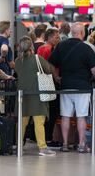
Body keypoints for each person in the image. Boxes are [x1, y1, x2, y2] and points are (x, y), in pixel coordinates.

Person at [48, 23, 95, 153]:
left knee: (65, 116)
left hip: (65, 86)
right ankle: (81, 144)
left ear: (71, 33)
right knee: (81, 116)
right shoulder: (86, 49)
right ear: (82, 33)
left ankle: (64, 144)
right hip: (82, 87)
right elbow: (94, 70)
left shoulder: (61, 46)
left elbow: (50, 63)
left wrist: (57, 77)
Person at [15, 36, 56, 156]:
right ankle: (42, 147)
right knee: (39, 123)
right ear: (31, 46)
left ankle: (18, 146)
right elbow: (48, 70)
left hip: (23, 96)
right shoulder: (37, 58)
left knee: (22, 123)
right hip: (37, 95)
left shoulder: (18, 61)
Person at [36, 28, 61, 148]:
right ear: (49, 37)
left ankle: (44, 137)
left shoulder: (40, 48)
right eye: (56, 37)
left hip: (41, 82)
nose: (58, 39)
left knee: (45, 112)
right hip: (50, 83)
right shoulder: (50, 50)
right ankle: (49, 138)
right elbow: (51, 66)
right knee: (53, 111)